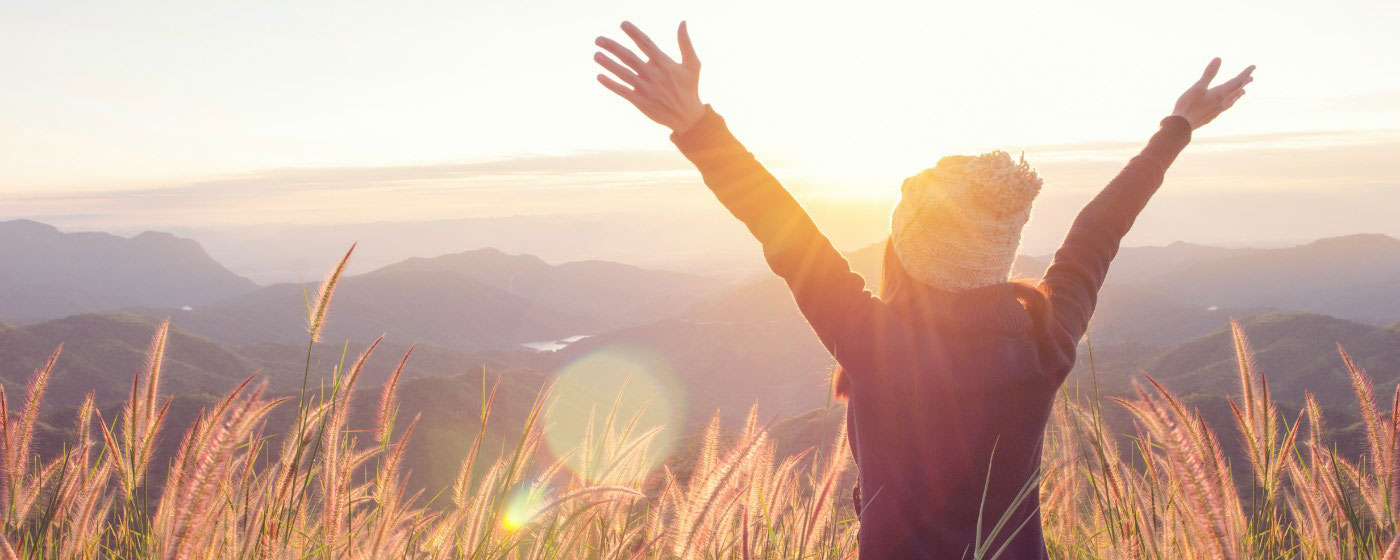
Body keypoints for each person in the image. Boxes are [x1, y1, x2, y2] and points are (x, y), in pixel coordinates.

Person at [593, 20, 1253, 558]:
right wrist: (1177, 128)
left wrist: (695, 126)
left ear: (903, 252)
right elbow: (1096, 235)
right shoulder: (1046, 338)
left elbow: (784, 230)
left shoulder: (878, 346)